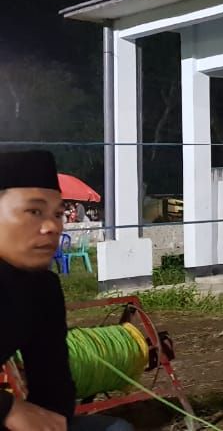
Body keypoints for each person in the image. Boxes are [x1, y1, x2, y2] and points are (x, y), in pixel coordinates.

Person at [1, 150, 135, 431]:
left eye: (58, 213)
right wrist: (8, 409)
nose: (51, 226)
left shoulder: (43, 289)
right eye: (34, 211)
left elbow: (52, 380)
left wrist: (53, 418)